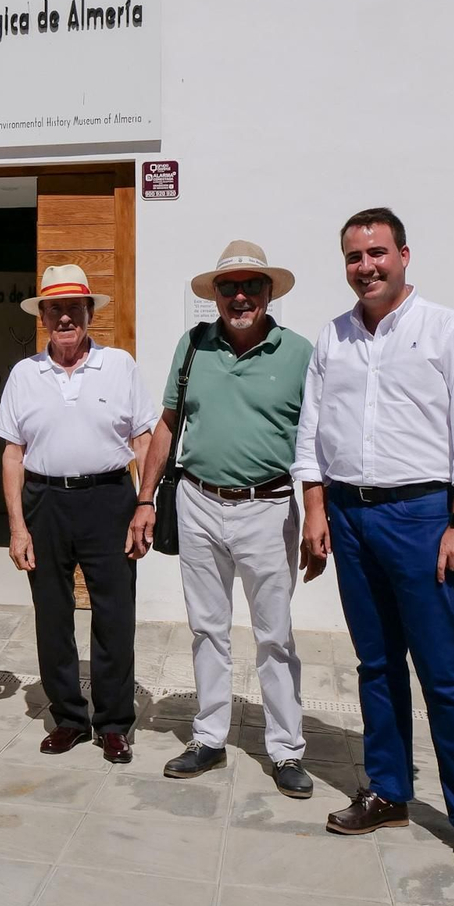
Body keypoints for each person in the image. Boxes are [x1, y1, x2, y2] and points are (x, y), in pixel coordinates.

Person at [294, 207, 454, 881]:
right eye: (355, 257)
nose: (366, 267)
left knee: (444, 673)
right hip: (352, 519)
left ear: (405, 255)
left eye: (377, 253)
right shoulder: (332, 339)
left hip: (423, 517)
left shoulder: (448, 332)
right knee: (376, 665)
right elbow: (312, 431)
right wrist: (315, 508)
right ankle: (388, 792)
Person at [129, 240, 315, 799]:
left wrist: (317, 515)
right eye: (229, 287)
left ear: (268, 293)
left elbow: (316, 441)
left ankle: (285, 749)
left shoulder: (299, 353)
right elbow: (166, 425)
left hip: (269, 505)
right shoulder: (192, 347)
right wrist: (145, 498)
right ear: (215, 295)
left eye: (251, 286)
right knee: (207, 628)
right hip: (199, 502)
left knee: (274, 635)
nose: (240, 296)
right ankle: (209, 736)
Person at [0, 264, 158, 763]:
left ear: (89, 313)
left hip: (109, 498)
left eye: (74, 308)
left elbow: (145, 437)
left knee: (114, 613)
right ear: (42, 316)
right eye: (54, 309)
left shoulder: (120, 365)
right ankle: (68, 717)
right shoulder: (25, 374)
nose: (65, 317)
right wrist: (17, 525)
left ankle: (113, 722)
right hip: (44, 502)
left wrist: (143, 503)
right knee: (52, 613)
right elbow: (11, 453)